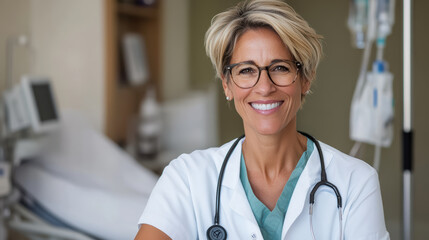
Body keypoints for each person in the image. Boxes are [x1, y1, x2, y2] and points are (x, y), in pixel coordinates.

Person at [135, 0, 390, 239]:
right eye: (246, 70)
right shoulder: (188, 179)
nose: (264, 87)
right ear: (227, 84)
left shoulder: (355, 183)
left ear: (305, 78)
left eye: (280, 67)